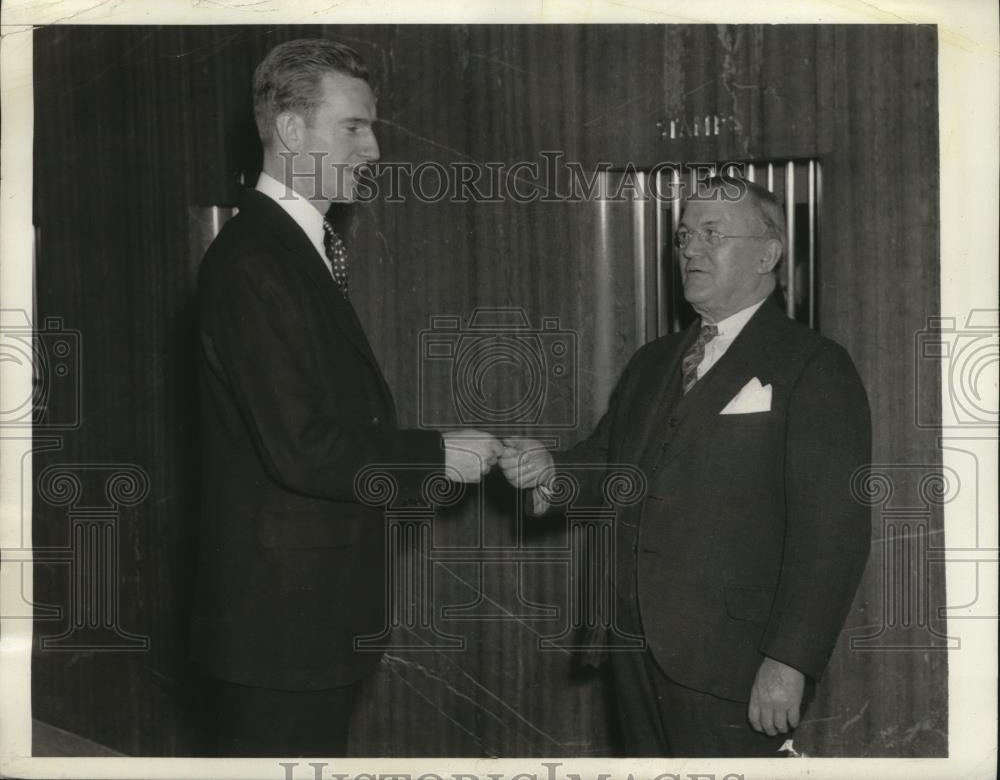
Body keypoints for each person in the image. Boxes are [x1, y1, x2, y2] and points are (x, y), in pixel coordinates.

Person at [192, 38, 501, 757]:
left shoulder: (292, 250)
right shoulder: (253, 262)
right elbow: (301, 447)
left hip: (304, 614)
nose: (376, 149)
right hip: (282, 625)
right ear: (294, 132)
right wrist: (435, 455)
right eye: (354, 127)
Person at [500, 176, 871, 757]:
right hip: (631, 650)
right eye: (684, 236)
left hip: (736, 665)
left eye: (712, 234)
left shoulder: (813, 365)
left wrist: (789, 661)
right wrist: (549, 470)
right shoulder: (654, 361)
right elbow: (609, 464)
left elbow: (833, 536)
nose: (691, 249)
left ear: (768, 254)